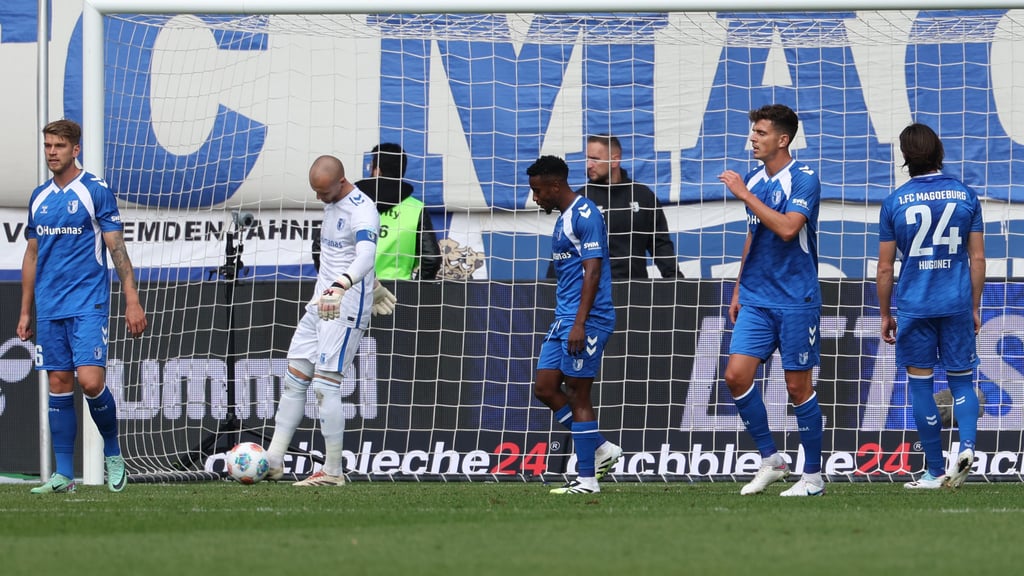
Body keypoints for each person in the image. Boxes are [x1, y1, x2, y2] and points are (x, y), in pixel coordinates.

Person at [19, 119, 148, 494]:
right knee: (58, 385)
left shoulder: (94, 190)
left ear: (75, 150)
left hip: (88, 302)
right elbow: (32, 254)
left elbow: (116, 247)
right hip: (49, 306)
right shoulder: (39, 197)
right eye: (48, 145)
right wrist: (26, 311)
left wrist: (132, 299)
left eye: (59, 146)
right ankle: (63, 475)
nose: (52, 152)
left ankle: (113, 452)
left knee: (90, 382)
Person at [265, 155, 396, 486]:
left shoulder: (362, 210)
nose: (319, 197)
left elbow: (366, 254)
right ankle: (274, 460)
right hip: (320, 302)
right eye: (315, 191)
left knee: (325, 386)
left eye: (323, 191)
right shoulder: (332, 204)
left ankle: (333, 471)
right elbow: (341, 255)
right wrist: (373, 285)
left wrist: (343, 286)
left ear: (341, 181)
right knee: (295, 378)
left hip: (344, 305)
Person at [717, 104, 824, 497]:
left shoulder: (804, 179)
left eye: (761, 133)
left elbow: (788, 228)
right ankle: (772, 460)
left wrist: (744, 194)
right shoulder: (754, 179)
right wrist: (738, 288)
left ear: (783, 139)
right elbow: (754, 234)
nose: (753, 139)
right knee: (735, 375)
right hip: (757, 297)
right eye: (753, 132)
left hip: (796, 297)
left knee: (797, 388)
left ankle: (813, 477)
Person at [877, 123, 984, 490]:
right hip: (955, 302)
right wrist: (974, 306)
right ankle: (966, 448)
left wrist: (885, 314)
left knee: (921, 387)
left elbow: (885, 268)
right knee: (962, 382)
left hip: (915, 305)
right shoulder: (965, 195)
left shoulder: (895, 202)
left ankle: (934, 471)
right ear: (939, 150)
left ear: (905, 156)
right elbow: (977, 258)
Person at [527, 155, 622, 494]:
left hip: (588, 318)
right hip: (564, 317)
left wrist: (580, 323)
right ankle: (601, 448)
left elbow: (593, 272)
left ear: (555, 186)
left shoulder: (586, 215)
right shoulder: (563, 218)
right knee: (545, 388)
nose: (535, 198)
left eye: (538, 191)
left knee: (578, 393)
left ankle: (587, 479)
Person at [313, 143, 441, 280]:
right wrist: (412, 288)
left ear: (377, 171)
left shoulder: (347, 201)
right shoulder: (415, 208)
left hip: (352, 285)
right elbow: (431, 259)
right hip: (397, 289)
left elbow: (320, 248)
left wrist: (336, 282)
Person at [580, 134, 683, 280]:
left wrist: (676, 279)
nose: (589, 165)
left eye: (595, 159)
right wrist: (552, 289)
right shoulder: (580, 201)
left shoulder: (643, 195)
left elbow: (660, 245)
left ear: (615, 160)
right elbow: (563, 251)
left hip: (635, 289)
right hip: (593, 290)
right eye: (587, 159)